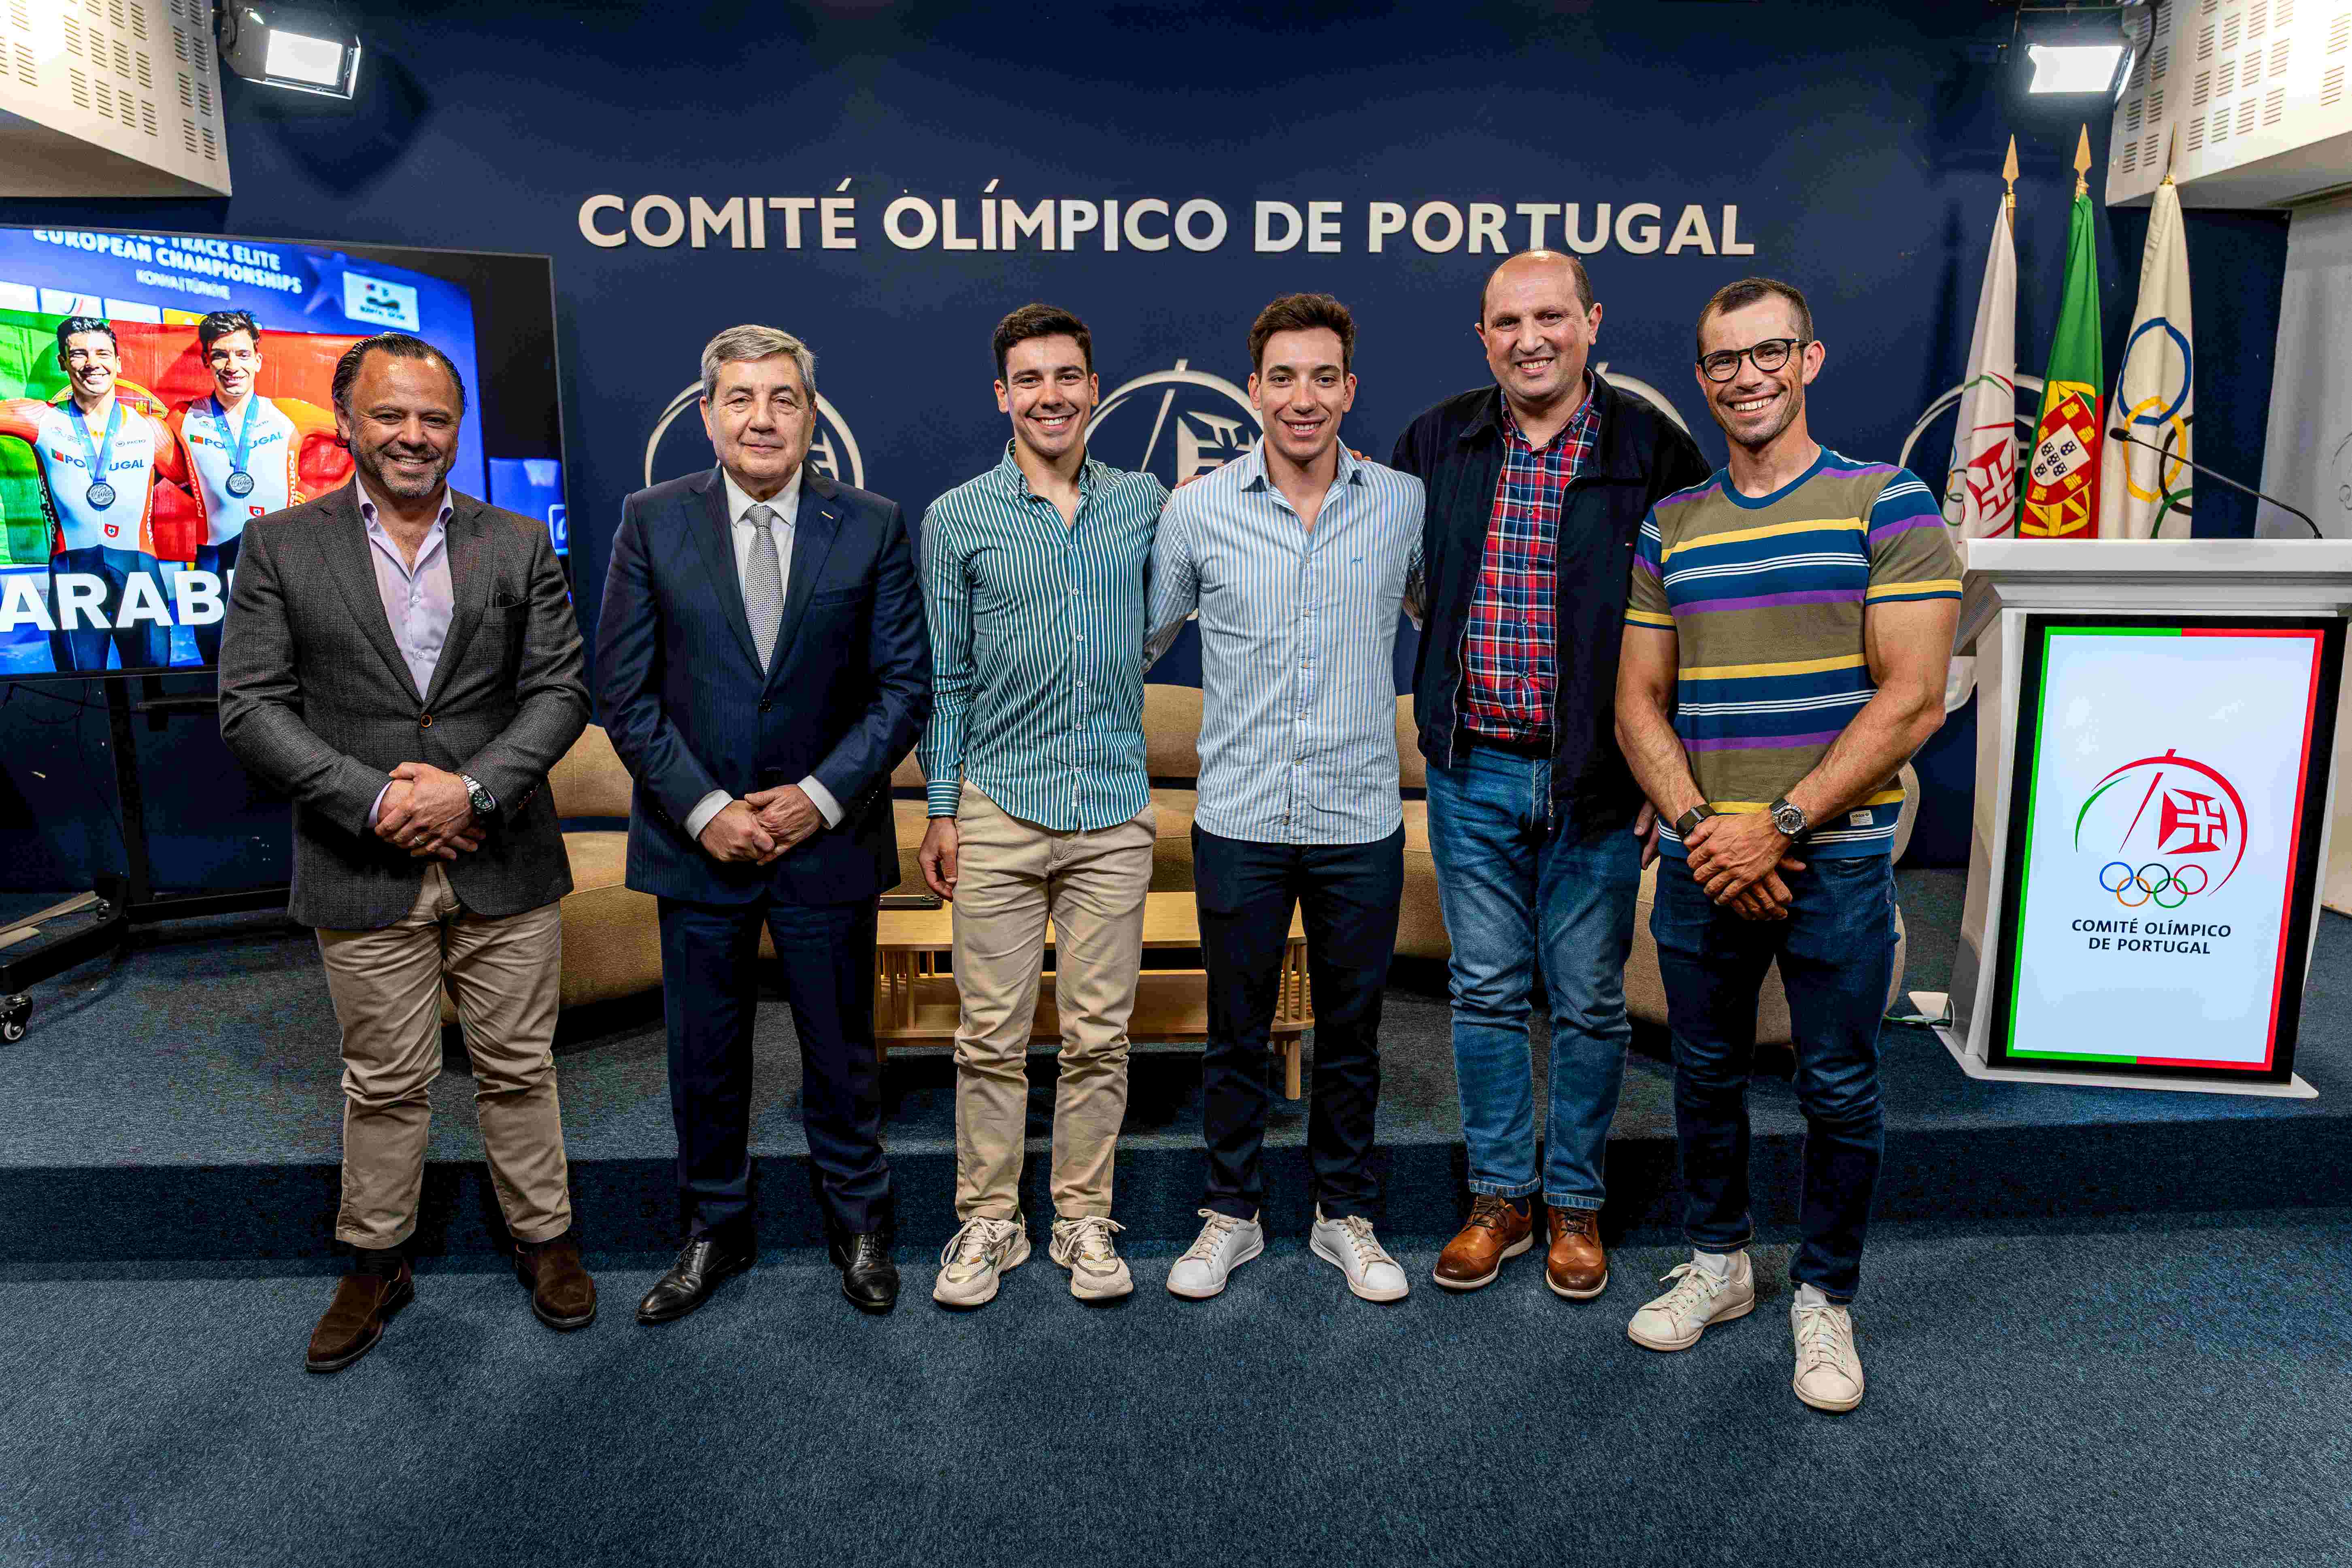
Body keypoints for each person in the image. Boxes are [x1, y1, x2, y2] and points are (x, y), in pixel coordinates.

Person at [217, 331, 596, 1372]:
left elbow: (561, 690)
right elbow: (251, 706)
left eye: (435, 417)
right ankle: (376, 1258)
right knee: (383, 1078)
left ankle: (545, 1237)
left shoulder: (517, 542)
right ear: (348, 421)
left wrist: (470, 790)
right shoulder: (280, 546)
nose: (414, 435)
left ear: (457, 428)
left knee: (520, 1065)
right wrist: (379, 799)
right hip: (361, 858)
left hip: (501, 848)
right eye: (390, 414)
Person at [1614, 277, 1958, 1413]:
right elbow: (1637, 703)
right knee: (1702, 1075)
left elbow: (1912, 699)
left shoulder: (1888, 502)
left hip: (1835, 858)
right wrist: (1707, 831)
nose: (1746, 376)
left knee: (1841, 1088)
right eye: (1723, 360)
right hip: (1706, 858)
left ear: (1808, 360)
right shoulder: (1674, 523)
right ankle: (1719, 1264)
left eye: (1769, 353)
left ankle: (1824, 1295)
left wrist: (1781, 825)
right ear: (1701, 377)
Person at [1390, 251, 1711, 1300]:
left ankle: (1575, 1201)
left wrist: (1668, 770)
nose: (1530, 339)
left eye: (1551, 316)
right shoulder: (1435, 440)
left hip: (1599, 781)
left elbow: (1695, 620)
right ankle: (1500, 1199)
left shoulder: (1652, 448)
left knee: (1587, 1002)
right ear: (1482, 337)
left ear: (1591, 322)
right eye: (1507, 321)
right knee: (1484, 994)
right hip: (1473, 770)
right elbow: (1399, 574)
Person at [596, 324, 930, 1319]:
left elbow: (903, 687)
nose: (761, 417)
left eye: (783, 398)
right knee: (704, 1057)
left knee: (842, 1054)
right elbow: (625, 694)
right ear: (707, 415)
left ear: (811, 415)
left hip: (828, 837)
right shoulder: (651, 520)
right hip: (696, 842)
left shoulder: (869, 524)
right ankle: (714, 1228)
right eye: (739, 398)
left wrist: (817, 797)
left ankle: (859, 1224)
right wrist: (705, 809)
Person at [1147, 292, 1425, 1304]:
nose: (1302, 398)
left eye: (1322, 377)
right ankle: (1231, 1211)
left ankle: (1342, 1212)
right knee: (1236, 1033)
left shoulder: (1402, 502)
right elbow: (1135, 642)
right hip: (1242, 816)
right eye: (1282, 378)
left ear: (1349, 389)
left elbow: (1445, 622)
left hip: (1360, 816)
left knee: (1353, 1034)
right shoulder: (1197, 510)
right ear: (1253, 389)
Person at [915, 304, 1167, 1308]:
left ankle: (1081, 1218)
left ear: (1095, 389)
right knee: (989, 1037)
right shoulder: (957, 517)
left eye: (1067, 376)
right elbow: (946, 678)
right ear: (1002, 396)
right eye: (1030, 379)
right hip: (998, 808)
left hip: (1112, 810)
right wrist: (941, 808)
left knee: (1100, 1037)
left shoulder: (1145, 501)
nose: (1050, 395)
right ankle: (989, 1219)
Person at [0, 317, 194, 670]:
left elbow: (203, 489)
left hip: (138, 570)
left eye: (103, 353)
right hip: (73, 569)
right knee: (81, 692)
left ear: (119, 363)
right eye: (79, 354)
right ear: (63, 362)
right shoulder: (40, 419)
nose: (92, 363)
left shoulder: (151, 430)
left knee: (152, 688)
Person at [165, 309, 343, 664]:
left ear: (258, 361)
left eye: (243, 354)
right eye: (221, 355)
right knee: (218, 669)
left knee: (295, 664)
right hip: (214, 562)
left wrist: (318, 503)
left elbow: (360, 438)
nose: (233, 366)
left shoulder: (291, 413)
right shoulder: (182, 417)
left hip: (284, 559)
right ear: (206, 361)